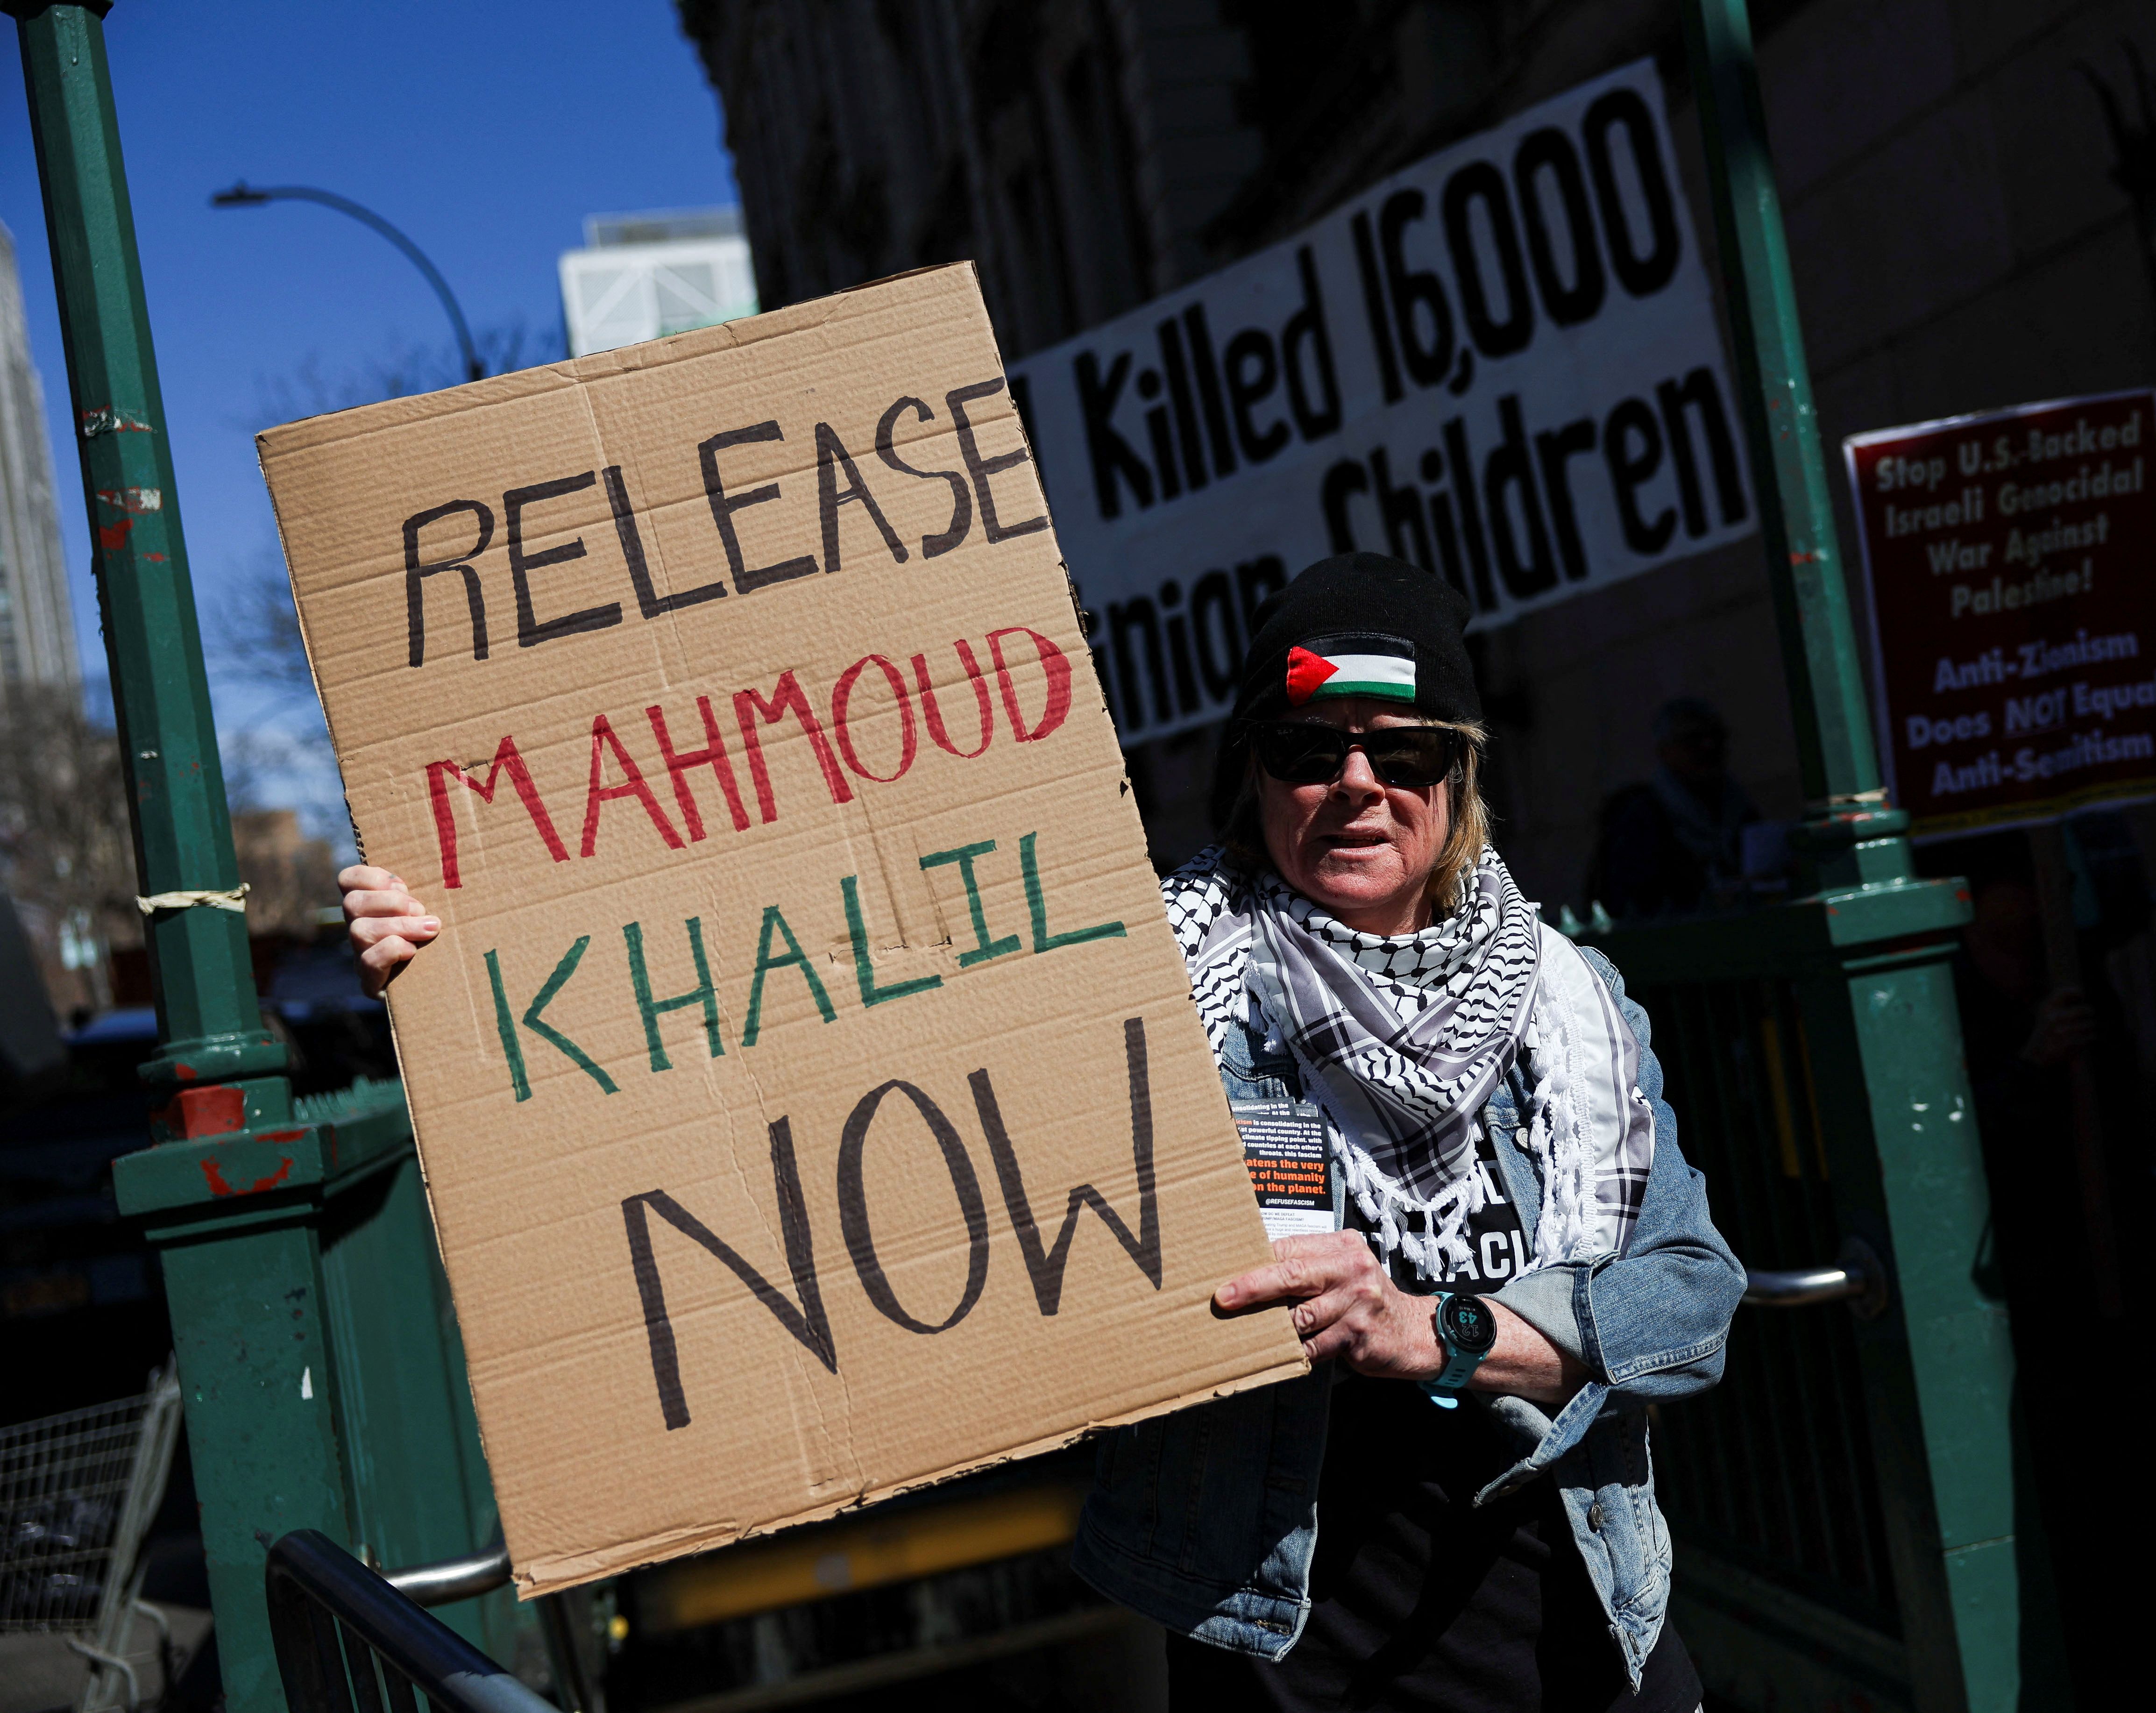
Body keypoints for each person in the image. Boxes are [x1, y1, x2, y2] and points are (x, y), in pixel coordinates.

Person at [339, 552, 1743, 1711]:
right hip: (1295, 1665)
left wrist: (1436, 1327)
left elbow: (1692, 1296)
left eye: (1407, 750)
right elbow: (784, 1044)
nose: (1358, 783)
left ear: (1459, 780)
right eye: (1310, 750)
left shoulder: (1580, 1010)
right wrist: (475, 972)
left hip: (1590, 1643)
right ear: (1251, 779)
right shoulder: (1137, 985)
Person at [1586, 697, 1760, 918]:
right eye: (1692, 740)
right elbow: (1631, 901)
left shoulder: (1738, 807)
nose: (1708, 747)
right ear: (1666, 751)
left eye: (1716, 737)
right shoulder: (1642, 817)